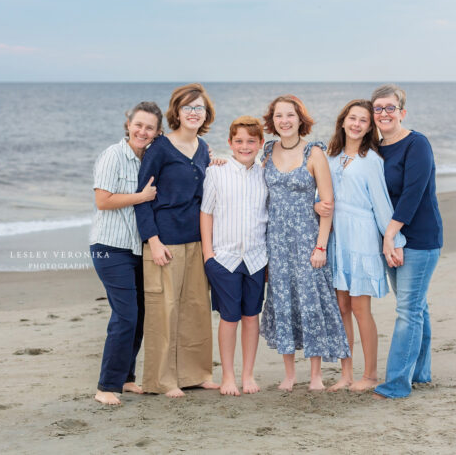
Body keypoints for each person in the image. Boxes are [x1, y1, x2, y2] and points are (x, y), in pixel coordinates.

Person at [134, 83, 220, 398]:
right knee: (164, 311)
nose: (194, 113)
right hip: (165, 241)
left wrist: (220, 163)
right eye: (187, 107)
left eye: (199, 107)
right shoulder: (159, 148)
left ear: (206, 112)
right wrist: (153, 241)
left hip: (198, 240)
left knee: (196, 309)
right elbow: (142, 198)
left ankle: (195, 374)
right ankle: (161, 380)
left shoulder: (203, 149)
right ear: (176, 112)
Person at [259, 94, 350, 392]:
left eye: (290, 115)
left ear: (300, 119)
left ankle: (315, 375)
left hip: (308, 241)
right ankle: (289, 374)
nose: (284, 121)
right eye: (278, 116)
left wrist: (321, 246)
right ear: (272, 122)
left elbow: (328, 203)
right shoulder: (267, 152)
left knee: (312, 306)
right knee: (283, 303)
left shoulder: (314, 153)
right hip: (276, 243)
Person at [321, 99, 406, 392]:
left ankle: (369, 375)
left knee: (360, 308)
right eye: (352, 118)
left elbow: (382, 204)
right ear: (343, 121)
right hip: (336, 237)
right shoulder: (329, 157)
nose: (356, 124)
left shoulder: (372, 161)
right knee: (341, 306)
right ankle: (346, 374)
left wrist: (393, 240)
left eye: (363, 121)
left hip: (361, 237)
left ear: (369, 127)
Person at [370, 84, 443, 399]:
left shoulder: (417, 144)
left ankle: (396, 384)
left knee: (408, 310)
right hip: (392, 239)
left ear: (402, 111)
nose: (384, 114)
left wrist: (389, 234)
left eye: (390, 107)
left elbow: (413, 193)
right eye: (378, 108)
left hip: (419, 239)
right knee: (416, 307)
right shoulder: (375, 148)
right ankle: (420, 372)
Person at [89, 101, 163, 406]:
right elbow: (102, 201)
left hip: (136, 247)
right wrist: (141, 197)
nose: (142, 131)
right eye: (138, 125)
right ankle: (106, 386)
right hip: (110, 246)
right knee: (126, 315)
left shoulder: (149, 158)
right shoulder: (113, 155)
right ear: (128, 124)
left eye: (149, 127)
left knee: (140, 315)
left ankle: (126, 377)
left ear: (158, 132)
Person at [200, 116, 268, 397]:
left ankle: (248, 374)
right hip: (224, 258)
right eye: (238, 141)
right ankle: (228, 376)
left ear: (260, 144)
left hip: (256, 258)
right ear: (229, 143)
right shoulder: (216, 171)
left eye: (251, 141)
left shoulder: (266, 174)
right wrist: (208, 255)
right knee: (229, 318)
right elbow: (206, 212)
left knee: (251, 317)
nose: (245, 146)